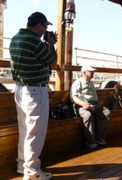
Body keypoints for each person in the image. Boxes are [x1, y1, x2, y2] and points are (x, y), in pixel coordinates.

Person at [9, 12, 57, 180]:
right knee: (35, 133)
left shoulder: (16, 38)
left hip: (20, 90)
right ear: (38, 26)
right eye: (45, 27)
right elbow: (53, 61)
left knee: (25, 131)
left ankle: (22, 166)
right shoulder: (34, 41)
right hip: (35, 91)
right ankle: (32, 172)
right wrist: (51, 44)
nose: (45, 30)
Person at [70, 64, 111, 149]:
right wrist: (84, 104)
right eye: (91, 72)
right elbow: (74, 98)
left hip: (93, 105)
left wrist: (98, 106)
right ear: (84, 72)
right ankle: (90, 141)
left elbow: (95, 98)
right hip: (81, 105)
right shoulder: (77, 82)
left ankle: (99, 138)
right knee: (88, 116)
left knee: (106, 112)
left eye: (93, 72)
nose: (93, 73)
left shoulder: (90, 83)